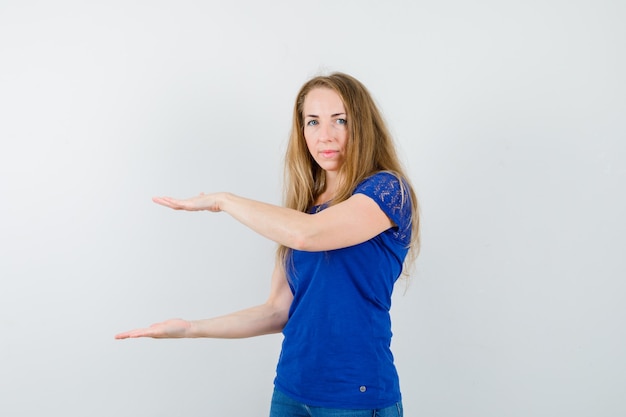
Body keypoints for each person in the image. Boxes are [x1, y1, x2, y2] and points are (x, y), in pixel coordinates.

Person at [115, 72, 420, 417]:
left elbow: (309, 234)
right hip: (291, 391)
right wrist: (191, 328)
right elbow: (278, 310)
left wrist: (223, 200)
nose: (325, 136)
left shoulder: (387, 191)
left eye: (340, 120)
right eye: (312, 122)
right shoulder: (304, 208)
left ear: (362, 125)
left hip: (356, 397)